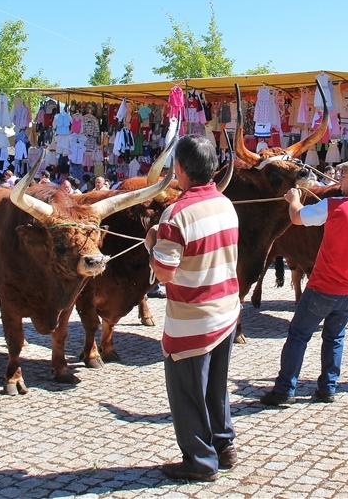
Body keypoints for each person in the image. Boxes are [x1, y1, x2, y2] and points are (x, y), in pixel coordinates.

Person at [260, 158, 348, 404]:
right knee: (335, 338)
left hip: (323, 287)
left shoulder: (336, 205)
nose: (339, 178)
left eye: (343, 175)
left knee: (298, 335)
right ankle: (327, 388)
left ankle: (283, 390)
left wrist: (293, 200)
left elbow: (298, 218)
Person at [146, 135, 240, 482]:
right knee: (216, 386)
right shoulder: (225, 203)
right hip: (226, 309)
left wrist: (153, 243)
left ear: (180, 169)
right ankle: (224, 445)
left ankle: (200, 461)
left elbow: (164, 272)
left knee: (187, 391)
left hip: (192, 318)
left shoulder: (176, 213)